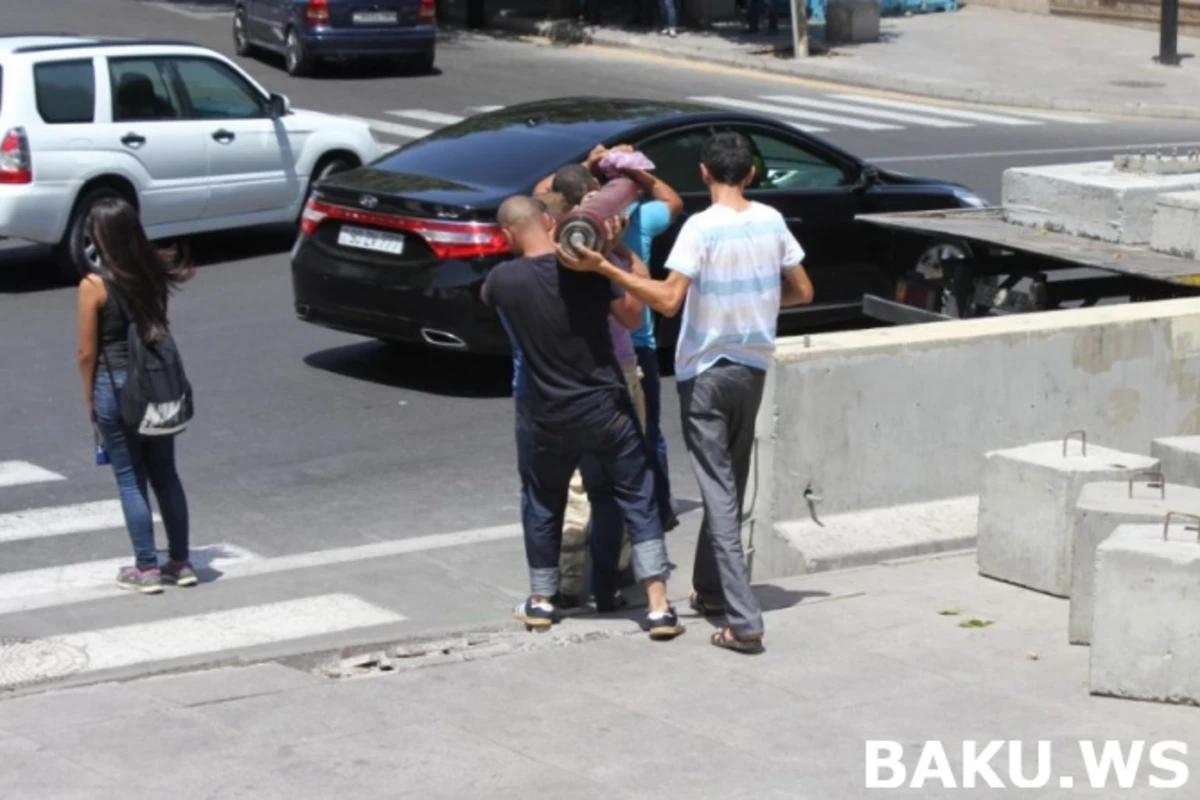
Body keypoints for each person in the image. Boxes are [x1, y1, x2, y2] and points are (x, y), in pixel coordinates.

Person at [557, 132, 814, 654]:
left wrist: (604, 266)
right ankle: (714, 592)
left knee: (718, 494)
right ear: (749, 174)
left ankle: (745, 621)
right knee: (732, 483)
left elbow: (668, 301)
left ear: (703, 173)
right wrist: (754, 308)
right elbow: (803, 291)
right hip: (752, 368)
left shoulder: (701, 227)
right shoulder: (771, 220)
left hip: (705, 373)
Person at [482, 195, 683, 640]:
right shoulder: (588, 272)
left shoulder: (502, 281)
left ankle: (540, 601)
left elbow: (490, 298)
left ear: (507, 234)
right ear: (552, 223)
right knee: (637, 496)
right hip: (606, 409)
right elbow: (633, 318)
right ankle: (658, 607)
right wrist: (616, 255)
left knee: (543, 500)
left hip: (547, 414)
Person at [75, 198, 196, 594]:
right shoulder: (152, 273)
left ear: (100, 236)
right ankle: (180, 562)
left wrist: (89, 398)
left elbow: (86, 352)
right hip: (156, 385)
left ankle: (145, 569)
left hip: (115, 387)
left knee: (130, 480)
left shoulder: (94, 286)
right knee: (166, 474)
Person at [544, 164, 647, 609]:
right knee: (621, 479)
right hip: (615, 373)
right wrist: (618, 253)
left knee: (575, 487)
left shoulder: (546, 252)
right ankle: (615, 571)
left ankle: (567, 583)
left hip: (563, 380)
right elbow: (633, 312)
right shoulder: (598, 259)